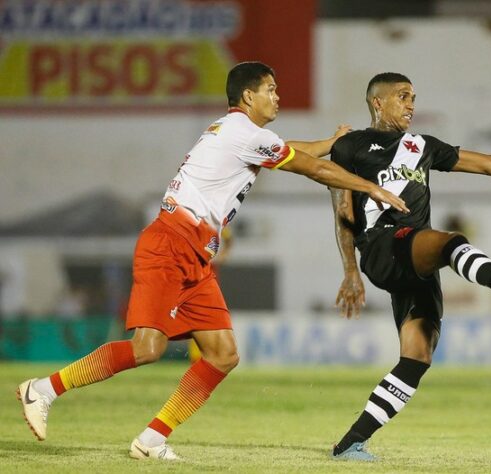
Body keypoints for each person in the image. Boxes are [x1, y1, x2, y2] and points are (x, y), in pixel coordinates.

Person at [16, 62, 408, 462]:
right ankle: (44, 389)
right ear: (248, 96)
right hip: (170, 243)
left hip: (194, 254)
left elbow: (294, 152)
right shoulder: (243, 134)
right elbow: (314, 169)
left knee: (222, 353)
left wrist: (329, 140)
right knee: (147, 348)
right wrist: (370, 187)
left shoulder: (239, 133)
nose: (277, 96)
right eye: (270, 89)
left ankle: (151, 439)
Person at [328, 72, 491, 461]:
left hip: (415, 257)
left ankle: (350, 444)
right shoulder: (352, 147)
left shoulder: (422, 146)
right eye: (403, 96)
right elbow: (342, 211)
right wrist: (350, 271)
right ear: (378, 102)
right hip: (382, 246)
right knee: (447, 241)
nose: (411, 104)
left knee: (417, 357)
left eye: (414, 97)